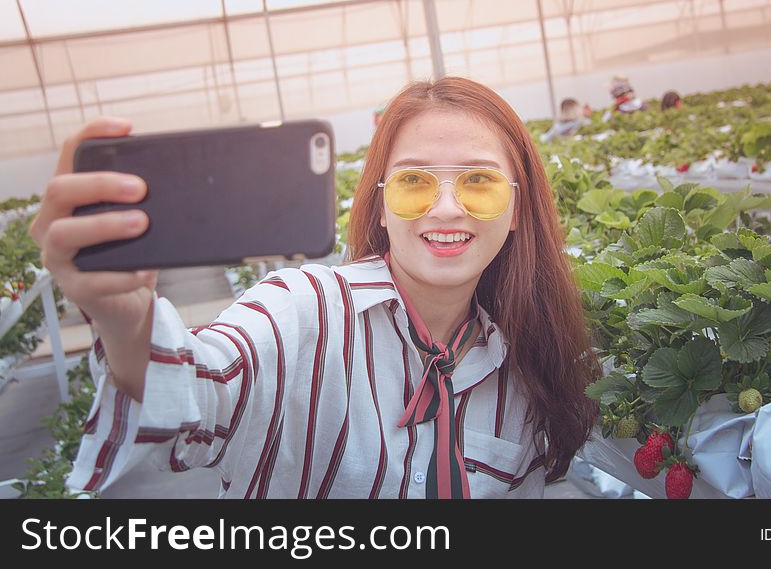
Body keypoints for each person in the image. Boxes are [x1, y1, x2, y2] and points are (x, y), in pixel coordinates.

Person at [30, 76, 600, 499]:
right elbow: (201, 394)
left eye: (478, 181)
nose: (445, 207)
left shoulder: (524, 370)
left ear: (518, 208)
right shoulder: (304, 310)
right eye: (413, 182)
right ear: (378, 205)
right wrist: (128, 325)